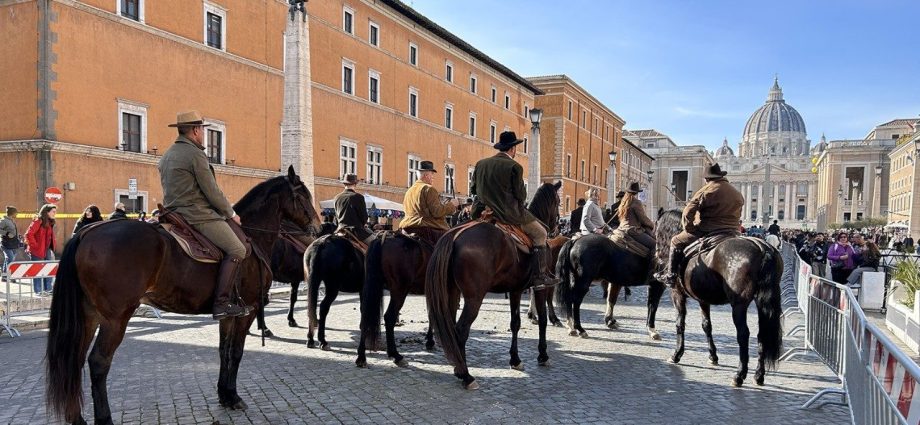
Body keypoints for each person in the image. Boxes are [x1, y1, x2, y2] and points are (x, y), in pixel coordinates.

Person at [159, 110, 250, 319]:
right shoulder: (195, 154)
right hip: (196, 214)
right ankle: (221, 303)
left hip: (172, 213)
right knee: (237, 249)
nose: (202, 134)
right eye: (202, 129)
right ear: (195, 130)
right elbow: (211, 191)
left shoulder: (167, 154)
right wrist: (231, 213)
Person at [470, 131, 559, 290]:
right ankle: (540, 277)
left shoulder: (480, 164)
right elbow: (521, 195)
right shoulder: (514, 166)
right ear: (512, 149)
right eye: (515, 148)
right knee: (541, 234)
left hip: (481, 212)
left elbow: (473, 189)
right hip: (508, 214)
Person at [655, 163, 744, 286]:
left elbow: (687, 213)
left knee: (675, 240)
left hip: (709, 229)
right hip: (733, 231)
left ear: (707, 178)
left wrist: (690, 228)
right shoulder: (736, 192)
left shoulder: (707, 190)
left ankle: (671, 276)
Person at [398, 160, 459, 245]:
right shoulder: (429, 189)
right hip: (426, 227)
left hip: (407, 227)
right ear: (426, 175)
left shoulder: (409, 191)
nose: (433, 177)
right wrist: (452, 205)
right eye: (432, 174)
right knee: (453, 244)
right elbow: (437, 212)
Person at [25, 204, 57, 294]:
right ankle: (38, 291)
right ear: (47, 212)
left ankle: (48, 289)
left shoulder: (50, 222)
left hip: (47, 249)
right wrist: (35, 246)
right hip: (37, 250)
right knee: (38, 270)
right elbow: (28, 234)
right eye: (53, 212)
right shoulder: (38, 221)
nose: (55, 213)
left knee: (48, 269)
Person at [335, 173, 374, 244]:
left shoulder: (337, 197)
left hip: (340, 231)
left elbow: (336, 216)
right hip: (356, 232)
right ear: (355, 184)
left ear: (344, 184)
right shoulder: (358, 197)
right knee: (376, 243)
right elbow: (364, 217)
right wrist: (364, 223)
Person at [616, 182, 656, 252]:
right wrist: (653, 225)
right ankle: (650, 262)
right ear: (636, 192)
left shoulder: (623, 202)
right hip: (632, 231)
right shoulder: (636, 202)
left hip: (621, 228)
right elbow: (643, 219)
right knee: (654, 244)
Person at [0, 206, 20, 277]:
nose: (17, 214)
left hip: (13, 243)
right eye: (16, 213)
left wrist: (19, 236)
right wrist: (7, 233)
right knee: (10, 259)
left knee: (8, 259)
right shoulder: (4, 221)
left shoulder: (12, 220)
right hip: (6, 244)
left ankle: (5, 276)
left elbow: (13, 231)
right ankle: (9, 276)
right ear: (12, 213)